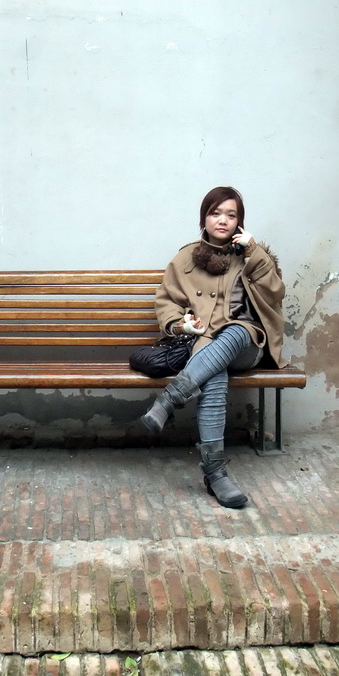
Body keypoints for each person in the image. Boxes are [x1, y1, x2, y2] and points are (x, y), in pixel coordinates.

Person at [140, 186, 287, 508]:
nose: (223, 220)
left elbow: (275, 294)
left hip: (248, 344)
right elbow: (166, 303)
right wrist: (182, 325)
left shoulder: (251, 256)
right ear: (204, 218)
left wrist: (254, 253)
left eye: (231, 215)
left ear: (240, 222)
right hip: (205, 347)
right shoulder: (185, 258)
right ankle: (215, 473)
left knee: (234, 331)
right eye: (215, 213)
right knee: (213, 373)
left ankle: (170, 398)